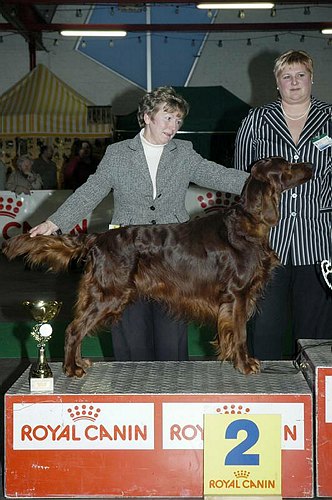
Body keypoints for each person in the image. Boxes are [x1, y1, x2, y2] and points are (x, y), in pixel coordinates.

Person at [29, 86, 249, 362]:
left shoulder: (185, 152)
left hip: (173, 255)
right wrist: (54, 223)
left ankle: (170, 395)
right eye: (168, 118)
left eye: (179, 120)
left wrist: (265, 180)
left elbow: (220, 176)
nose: (174, 126)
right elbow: (91, 191)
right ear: (147, 116)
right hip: (127, 255)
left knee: (172, 340)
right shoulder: (117, 154)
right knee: (130, 336)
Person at [234, 49, 332, 361]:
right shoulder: (256, 120)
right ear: (277, 82)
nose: (294, 82)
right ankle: (269, 395)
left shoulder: (330, 118)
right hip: (265, 245)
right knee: (265, 330)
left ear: (311, 78)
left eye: (300, 75)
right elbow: (240, 180)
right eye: (286, 76)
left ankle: (318, 399)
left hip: (318, 242)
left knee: (317, 336)